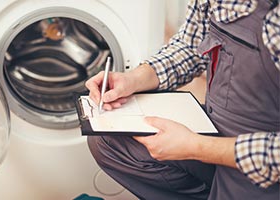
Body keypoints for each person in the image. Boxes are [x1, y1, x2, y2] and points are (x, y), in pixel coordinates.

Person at [85, 0, 280, 200]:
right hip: (216, 130)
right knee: (109, 142)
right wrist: (134, 79)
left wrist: (196, 147)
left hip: (262, 163)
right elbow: (191, 44)